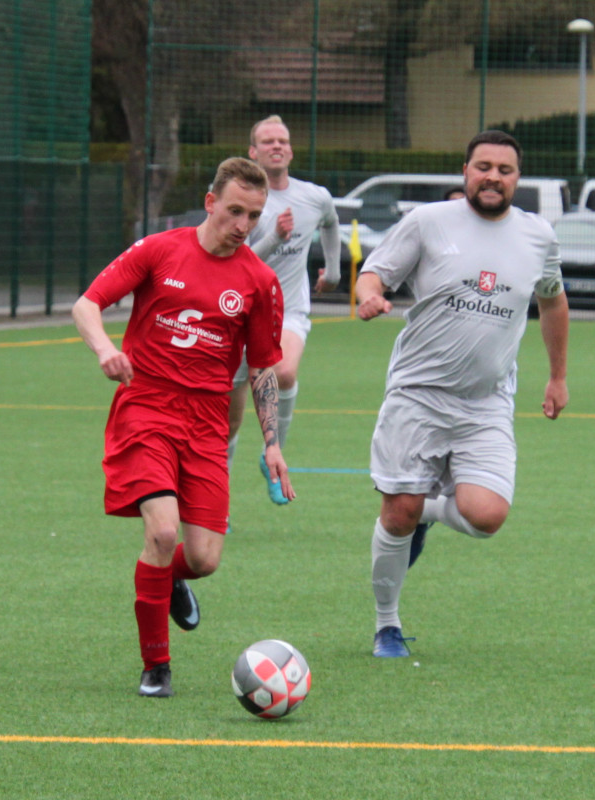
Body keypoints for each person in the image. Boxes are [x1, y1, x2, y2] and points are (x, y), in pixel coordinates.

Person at [71, 157, 295, 698]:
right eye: (235, 211)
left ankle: (166, 577)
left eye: (254, 216)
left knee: (203, 559)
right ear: (210, 202)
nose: (243, 225)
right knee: (163, 531)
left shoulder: (260, 282)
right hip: (146, 407)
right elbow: (88, 304)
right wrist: (104, 350)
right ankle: (156, 667)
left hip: (207, 423)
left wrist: (272, 443)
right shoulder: (158, 250)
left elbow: (263, 368)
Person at [355, 130, 569, 658]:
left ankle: (428, 512)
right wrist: (370, 297)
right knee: (397, 514)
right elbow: (374, 272)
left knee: (487, 516)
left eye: (505, 170)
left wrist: (557, 376)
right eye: (483, 167)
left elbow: (553, 301)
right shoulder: (428, 221)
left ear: (517, 178)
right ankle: (387, 625)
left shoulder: (538, 236)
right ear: (465, 171)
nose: (493, 177)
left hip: (486, 402)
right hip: (418, 395)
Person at [228, 115, 340, 505]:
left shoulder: (314, 196)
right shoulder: (242, 201)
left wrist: (334, 271)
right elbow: (235, 262)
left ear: (290, 151)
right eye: (268, 141)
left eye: (283, 140)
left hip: (287, 309)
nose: (277, 146)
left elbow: (331, 223)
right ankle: (217, 506)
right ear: (253, 152)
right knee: (228, 422)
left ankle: (271, 454)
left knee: (285, 371)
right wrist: (275, 237)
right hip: (237, 315)